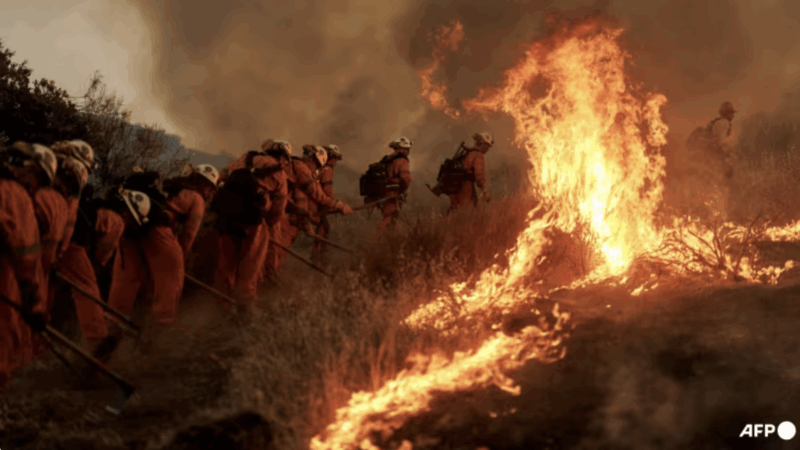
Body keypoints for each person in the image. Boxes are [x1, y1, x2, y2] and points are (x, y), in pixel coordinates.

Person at [213, 143, 287, 313]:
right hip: (253, 221)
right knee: (250, 266)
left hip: (226, 216)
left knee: (226, 265)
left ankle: (222, 307)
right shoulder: (280, 172)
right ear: (282, 157)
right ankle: (245, 309)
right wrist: (269, 224)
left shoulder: (245, 159)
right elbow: (279, 208)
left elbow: (222, 176)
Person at [0, 143, 50, 387]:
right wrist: (34, 305)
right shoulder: (15, 196)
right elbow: (25, 257)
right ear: (29, 171)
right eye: (39, 179)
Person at [269, 143, 353, 276]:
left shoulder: (293, 165)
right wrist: (339, 205)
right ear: (314, 160)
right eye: (317, 165)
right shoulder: (302, 169)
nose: (316, 169)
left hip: (279, 212)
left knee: (274, 251)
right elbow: (318, 195)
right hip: (285, 218)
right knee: (277, 252)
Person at [429, 132, 492, 213]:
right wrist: (484, 190)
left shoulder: (468, 152)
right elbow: (479, 175)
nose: (487, 149)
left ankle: (447, 223)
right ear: (482, 144)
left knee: (454, 208)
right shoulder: (478, 155)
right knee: (467, 211)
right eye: (487, 146)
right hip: (465, 186)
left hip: (455, 185)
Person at [311, 144, 343, 263]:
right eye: (334, 158)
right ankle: (317, 255)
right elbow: (327, 191)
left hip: (314, 201)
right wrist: (334, 204)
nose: (335, 161)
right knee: (324, 227)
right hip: (318, 205)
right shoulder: (328, 170)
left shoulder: (318, 168)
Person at [376, 137, 412, 234]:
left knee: (389, 219)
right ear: (401, 148)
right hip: (393, 194)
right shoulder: (402, 160)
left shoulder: (388, 159)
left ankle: (387, 242)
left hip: (384, 193)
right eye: (406, 149)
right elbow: (406, 179)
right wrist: (402, 191)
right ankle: (375, 240)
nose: (407, 151)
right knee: (390, 218)